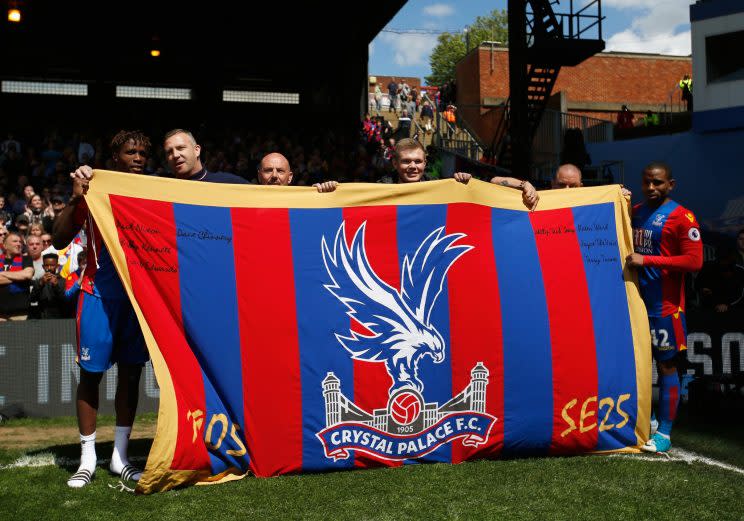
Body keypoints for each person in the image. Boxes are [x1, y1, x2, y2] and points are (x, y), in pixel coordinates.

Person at [55, 130, 154, 488]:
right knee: (91, 377)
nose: (138, 157)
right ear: (115, 159)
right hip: (97, 295)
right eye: (131, 152)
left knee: (131, 376)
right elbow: (58, 239)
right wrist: (75, 197)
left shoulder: (154, 192)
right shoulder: (94, 188)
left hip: (137, 300)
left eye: (143, 152)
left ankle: (120, 458)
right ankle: (87, 459)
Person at [626, 162, 703, 453]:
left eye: (657, 183)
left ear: (671, 184)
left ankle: (665, 434)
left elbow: (695, 262)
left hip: (666, 307)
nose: (651, 188)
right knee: (637, 364)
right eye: (647, 182)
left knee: (666, 365)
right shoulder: (635, 212)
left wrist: (649, 261)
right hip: (635, 302)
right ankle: (650, 420)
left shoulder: (683, 217)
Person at [392, 138, 538, 210]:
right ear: (395, 163)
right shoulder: (379, 189)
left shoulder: (438, 185)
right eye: (406, 161)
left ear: (425, 163)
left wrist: (524, 185)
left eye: (417, 161)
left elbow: (491, 181)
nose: (413, 166)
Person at [257, 152, 337, 192]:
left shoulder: (306, 202)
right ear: (259, 176)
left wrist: (322, 195)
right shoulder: (246, 202)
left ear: (290, 177)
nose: (274, 175)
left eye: (280, 171)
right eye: (268, 170)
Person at [0, 232, 34, 321]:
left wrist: (2, 273)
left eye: (20, 242)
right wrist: (18, 276)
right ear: (5, 245)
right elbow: (23, 275)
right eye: (15, 241)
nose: (19, 244)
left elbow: (27, 275)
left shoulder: (26, 259)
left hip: (20, 314)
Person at [29, 252, 67, 319]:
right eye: (46, 265)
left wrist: (56, 286)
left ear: (57, 266)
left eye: (52, 265)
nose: (49, 268)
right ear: (43, 266)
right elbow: (32, 299)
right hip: (42, 318)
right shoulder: (39, 281)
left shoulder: (63, 281)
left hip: (60, 319)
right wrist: (40, 284)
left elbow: (65, 300)